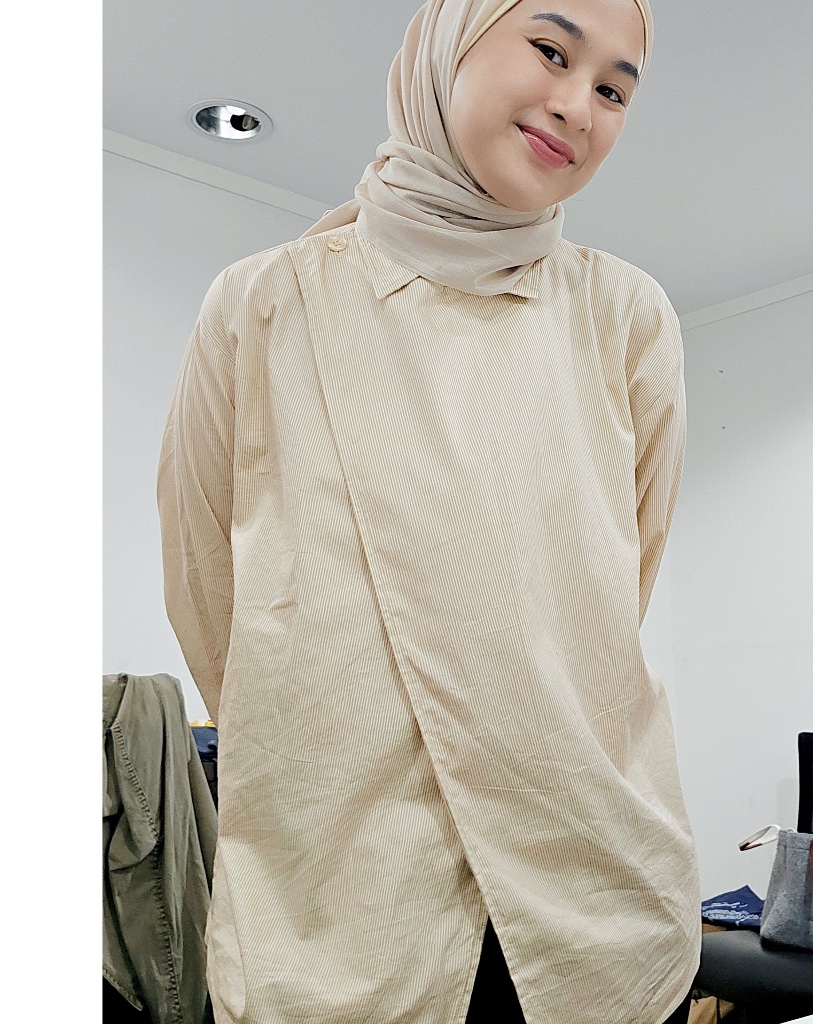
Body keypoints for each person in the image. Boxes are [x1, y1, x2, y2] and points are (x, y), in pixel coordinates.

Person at [157, 1, 701, 1021]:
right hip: (341, 914)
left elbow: (616, 587)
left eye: (613, 88)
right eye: (551, 50)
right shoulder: (266, 302)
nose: (577, 105)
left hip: (595, 906)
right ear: (446, 46)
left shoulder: (626, 317)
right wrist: (320, 741)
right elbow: (205, 582)